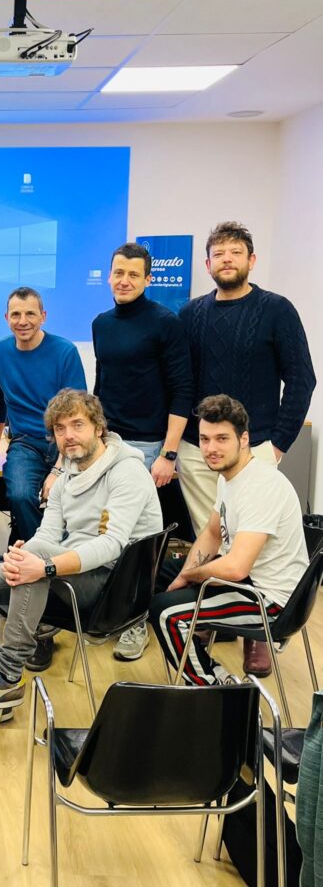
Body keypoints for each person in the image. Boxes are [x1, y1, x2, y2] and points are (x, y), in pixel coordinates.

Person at [0, 389, 162, 736]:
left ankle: (6, 673)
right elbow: (46, 535)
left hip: (116, 585)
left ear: (99, 428)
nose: (68, 435)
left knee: (36, 564)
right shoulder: (65, 477)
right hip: (71, 573)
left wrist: (43, 565)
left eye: (77, 425)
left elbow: (111, 545)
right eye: (60, 429)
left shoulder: (128, 472)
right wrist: (22, 555)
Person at [178, 221, 315, 675]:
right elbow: (181, 380)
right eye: (219, 253)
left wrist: (278, 445)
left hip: (256, 448)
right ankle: (210, 617)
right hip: (199, 448)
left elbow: (302, 379)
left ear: (251, 260)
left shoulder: (277, 309)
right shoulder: (191, 314)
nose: (227, 260)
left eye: (235, 252)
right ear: (207, 264)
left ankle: (258, 634)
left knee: (251, 544)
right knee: (212, 535)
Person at [150, 394, 308, 686]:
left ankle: (215, 687)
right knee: (153, 573)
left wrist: (192, 576)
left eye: (222, 438)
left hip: (271, 602)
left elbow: (236, 568)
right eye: (205, 439)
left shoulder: (260, 486)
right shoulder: (229, 476)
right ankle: (196, 649)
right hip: (249, 582)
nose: (211, 449)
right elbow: (212, 534)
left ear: (243, 439)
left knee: (165, 613)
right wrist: (184, 574)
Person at [92, 242, 193, 662]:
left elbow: (183, 390)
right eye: (119, 272)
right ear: (109, 275)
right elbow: (102, 385)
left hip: (150, 445)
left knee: (140, 541)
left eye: (134, 274)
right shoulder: (101, 324)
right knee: (105, 532)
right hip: (109, 442)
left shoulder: (165, 323)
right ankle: (112, 613)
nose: (124, 280)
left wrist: (168, 454)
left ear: (148, 279)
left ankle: (136, 623)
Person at [0, 287, 86, 544]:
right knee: (20, 495)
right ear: (6, 318)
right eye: (16, 314)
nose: (23, 321)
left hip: (66, 442)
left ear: (43, 316)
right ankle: (43, 554)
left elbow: (78, 414)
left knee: (69, 499)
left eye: (30, 314)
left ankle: (54, 552)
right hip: (25, 443)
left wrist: (57, 470)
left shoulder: (65, 351)